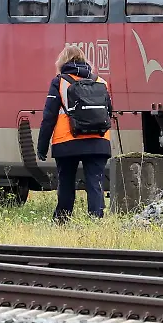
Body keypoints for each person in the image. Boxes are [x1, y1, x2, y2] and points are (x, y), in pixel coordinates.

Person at [36, 45, 113, 223]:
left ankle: (62, 219)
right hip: (98, 140)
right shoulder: (100, 81)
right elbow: (109, 111)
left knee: (66, 182)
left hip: (67, 141)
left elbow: (49, 117)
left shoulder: (60, 81)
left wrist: (41, 147)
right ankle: (96, 220)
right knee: (95, 183)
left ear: (62, 61)